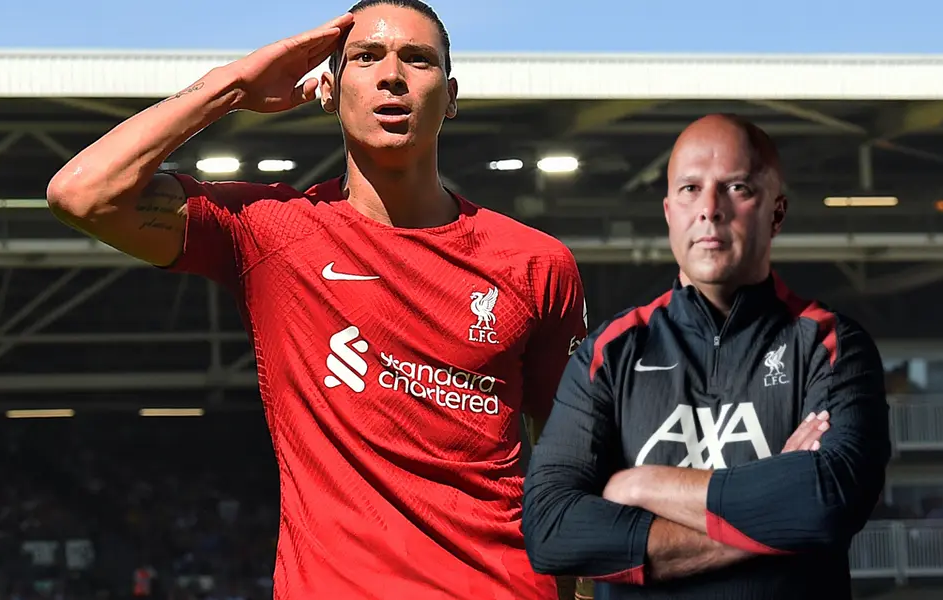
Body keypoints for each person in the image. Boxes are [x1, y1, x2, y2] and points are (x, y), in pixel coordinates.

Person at [45, 1, 587, 598]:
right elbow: (82, 194)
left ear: (450, 96)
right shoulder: (270, 231)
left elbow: (573, 463)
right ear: (328, 90)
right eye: (365, 57)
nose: (392, 76)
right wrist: (234, 85)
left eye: (417, 59)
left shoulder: (534, 262)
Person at [522, 114, 891, 599]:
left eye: (737, 188)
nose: (710, 210)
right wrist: (775, 517)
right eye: (690, 189)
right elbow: (551, 530)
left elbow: (829, 500)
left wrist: (643, 485)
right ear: (669, 211)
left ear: (777, 212)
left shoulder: (830, 344)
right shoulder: (609, 353)